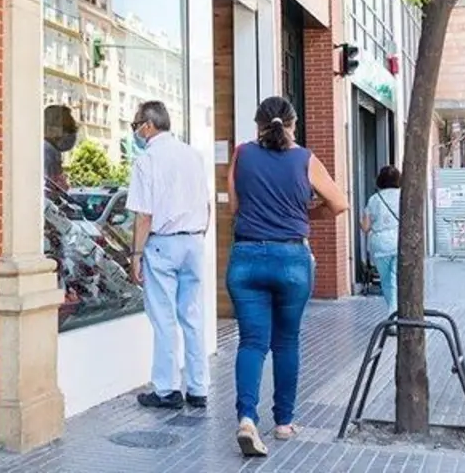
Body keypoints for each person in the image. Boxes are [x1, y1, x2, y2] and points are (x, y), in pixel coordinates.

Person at [227, 96, 348, 457]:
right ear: (293, 125)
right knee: (286, 342)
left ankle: (247, 418)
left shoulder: (242, 154)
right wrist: (303, 216)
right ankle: (283, 422)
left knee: (251, 342)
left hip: (246, 257)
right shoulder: (305, 159)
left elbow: (235, 208)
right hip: (292, 259)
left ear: (257, 125)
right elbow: (339, 203)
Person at [126, 100, 211, 410]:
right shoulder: (193, 155)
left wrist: (136, 254)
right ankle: (199, 389)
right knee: (192, 317)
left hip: (162, 244)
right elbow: (207, 205)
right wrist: (198, 236)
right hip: (194, 242)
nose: (135, 131)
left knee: (164, 319)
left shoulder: (146, 161)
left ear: (148, 126)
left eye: (135, 125)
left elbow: (144, 215)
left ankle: (167, 390)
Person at [360, 165, 402, 313]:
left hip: (380, 244)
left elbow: (365, 227)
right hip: (399, 241)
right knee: (396, 279)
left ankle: (393, 312)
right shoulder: (403, 195)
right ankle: (395, 313)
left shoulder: (374, 199)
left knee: (386, 281)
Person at [43, 104, 78, 190]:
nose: (72, 135)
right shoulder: (48, 152)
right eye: (69, 130)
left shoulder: (50, 151)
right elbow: (52, 189)